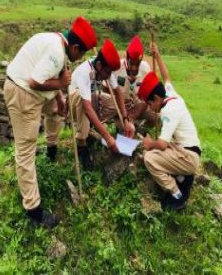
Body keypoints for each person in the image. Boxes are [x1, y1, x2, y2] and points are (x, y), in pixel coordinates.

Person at [4, 16, 97, 228]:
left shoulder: (57, 42)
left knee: (56, 111)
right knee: (26, 150)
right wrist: (61, 84)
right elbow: (35, 81)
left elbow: (48, 75)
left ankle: (51, 151)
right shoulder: (57, 52)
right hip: (23, 93)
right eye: (81, 53)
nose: (80, 57)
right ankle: (34, 211)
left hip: (32, 92)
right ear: (74, 47)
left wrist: (60, 98)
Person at [138, 42, 202, 211]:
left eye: (150, 103)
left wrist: (149, 143)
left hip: (188, 157)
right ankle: (183, 179)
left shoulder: (168, 111)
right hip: (187, 150)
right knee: (158, 152)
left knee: (149, 158)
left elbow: (162, 144)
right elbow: (166, 77)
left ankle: (177, 195)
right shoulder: (170, 94)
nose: (150, 108)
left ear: (157, 98)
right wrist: (157, 55)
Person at [69, 39, 135, 170]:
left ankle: (109, 129)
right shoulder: (84, 72)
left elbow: (117, 92)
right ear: (98, 65)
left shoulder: (105, 68)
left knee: (113, 101)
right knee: (83, 102)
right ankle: (82, 144)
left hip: (92, 99)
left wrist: (125, 119)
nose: (108, 76)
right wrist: (107, 137)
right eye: (107, 73)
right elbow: (87, 107)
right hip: (73, 104)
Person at [114, 35, 157, 129]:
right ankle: (122, 124)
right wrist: (123, 112)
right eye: (132, 64)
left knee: (155, 118)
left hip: (137, 103)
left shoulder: (145, 69)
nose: (134, 68)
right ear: (127, 59)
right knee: (123, 128)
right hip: (120, 104)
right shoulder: (117, 68)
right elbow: (107, 90)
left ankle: (139, 128)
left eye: (137, 64)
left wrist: (136, 114)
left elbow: (148, 97)